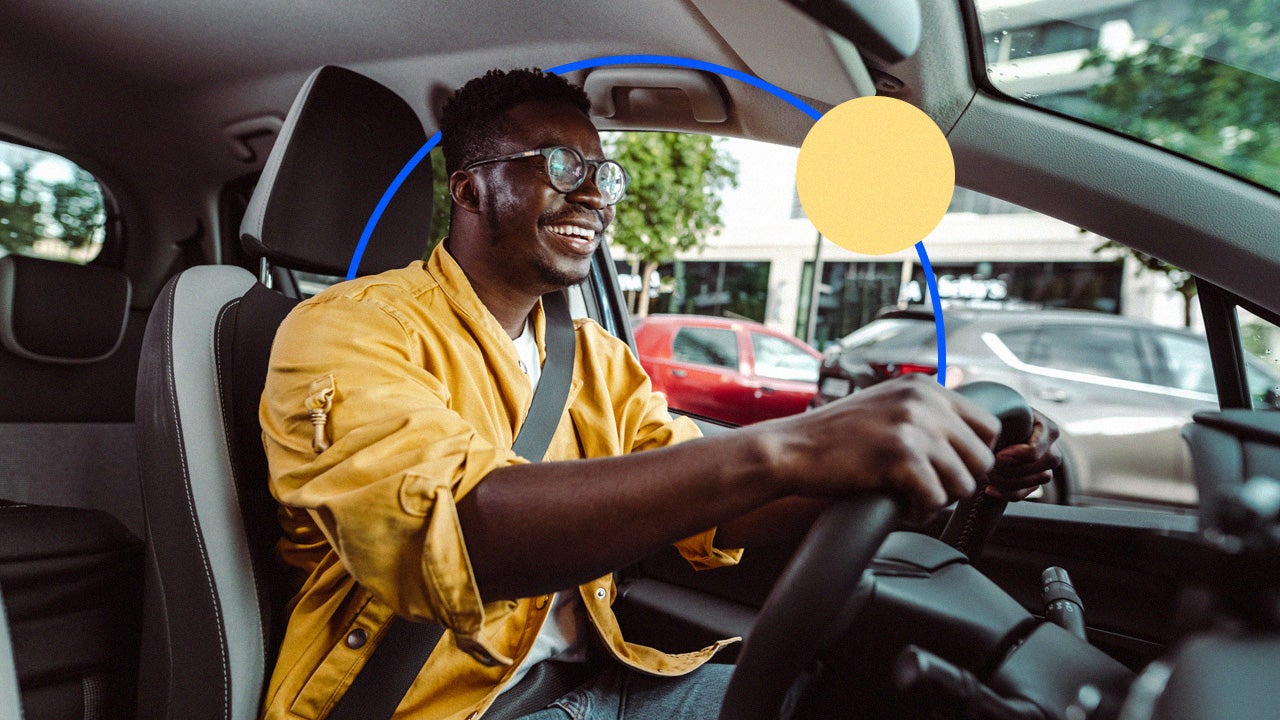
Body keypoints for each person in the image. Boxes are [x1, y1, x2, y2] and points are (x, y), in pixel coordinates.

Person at [258, 67, 1061, 720]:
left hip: (605, 681)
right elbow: (458, 533)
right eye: (560, 168)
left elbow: (713, 510)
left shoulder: (597, 359)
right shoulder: (346, 331)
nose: (594, 196)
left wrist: (905, 460)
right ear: (469, 192)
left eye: (602, 173)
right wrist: (796, 444)